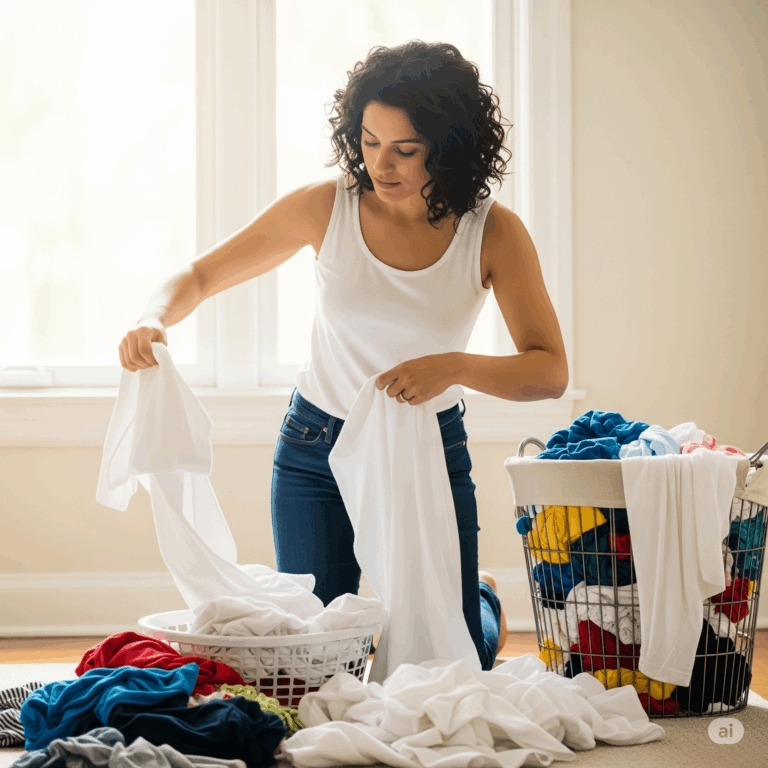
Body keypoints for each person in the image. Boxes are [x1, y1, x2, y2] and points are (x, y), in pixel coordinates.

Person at [119, 41, 569, 671]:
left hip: (429, 448)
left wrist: (456, 366)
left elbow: (549, 370)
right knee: (314, 658)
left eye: (405, 149)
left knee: (453, 662)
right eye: (369, 140)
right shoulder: (326, 207)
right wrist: (151, 318)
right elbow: (197, 275)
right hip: (315, 448)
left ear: (449, 145)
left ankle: (481, 600)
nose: (381, 164)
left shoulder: (492, 231)